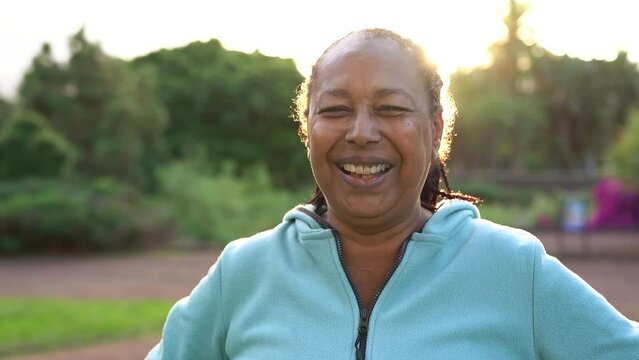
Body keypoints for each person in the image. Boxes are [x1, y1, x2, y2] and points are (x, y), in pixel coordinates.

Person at [147, 29, 639, 359]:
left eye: (389, 108)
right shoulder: (243, 273)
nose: (361, 132)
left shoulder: (515, 270)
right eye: (336, 110)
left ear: (435, 129)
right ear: (308, 128)